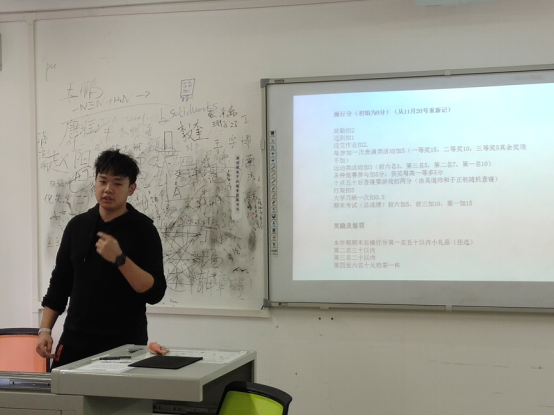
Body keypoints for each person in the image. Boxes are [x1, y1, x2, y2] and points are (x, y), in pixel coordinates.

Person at [36, 149, 167, 369]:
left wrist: (120, 258)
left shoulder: (144, 230)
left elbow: (155, 293)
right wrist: (44, 330)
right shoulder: (77, 226)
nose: (108, 189)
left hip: (124, 345)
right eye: (103, 181)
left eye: (117, 183)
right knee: (61, 391)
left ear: (131, 189)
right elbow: (59, 283)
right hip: (75, 340)